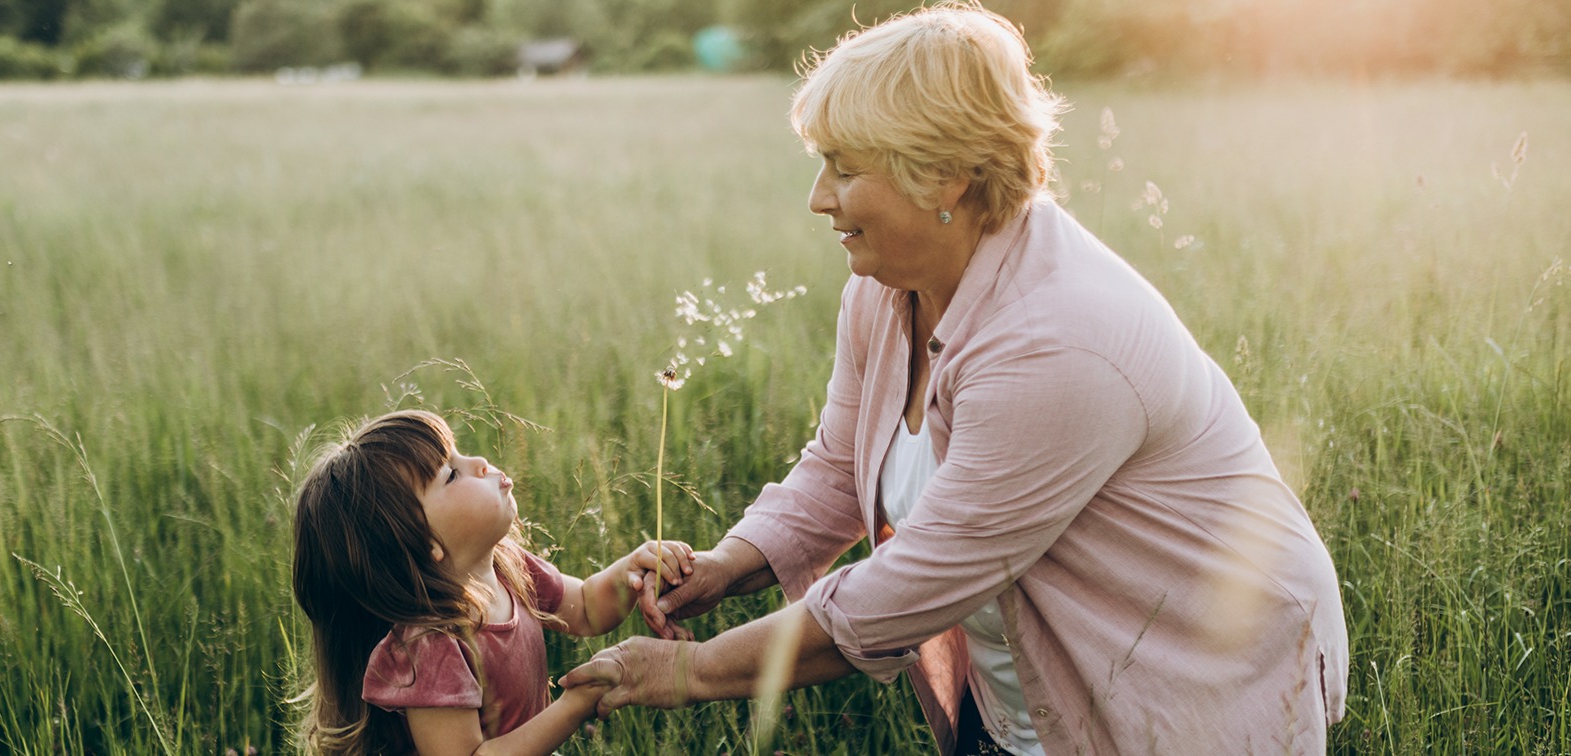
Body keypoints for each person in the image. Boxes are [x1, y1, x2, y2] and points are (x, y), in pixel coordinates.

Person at [559, 5, 1349, 755]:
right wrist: (729, 565)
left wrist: (692, 672)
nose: (818, 198)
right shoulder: (885, 286)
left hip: (1178, 692)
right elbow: (838, 467)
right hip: (1032, 692)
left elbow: (905, 592)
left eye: (843, 168)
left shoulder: (1057, 345)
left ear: (942, 176)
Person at [291, 409, 695, 755]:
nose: (481, 462)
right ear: (424, 543)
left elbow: (588, 608)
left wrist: (633, 571)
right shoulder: (432, 646)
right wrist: (575, 704)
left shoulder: (508, 570)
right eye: (451, 474)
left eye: (460, 452)